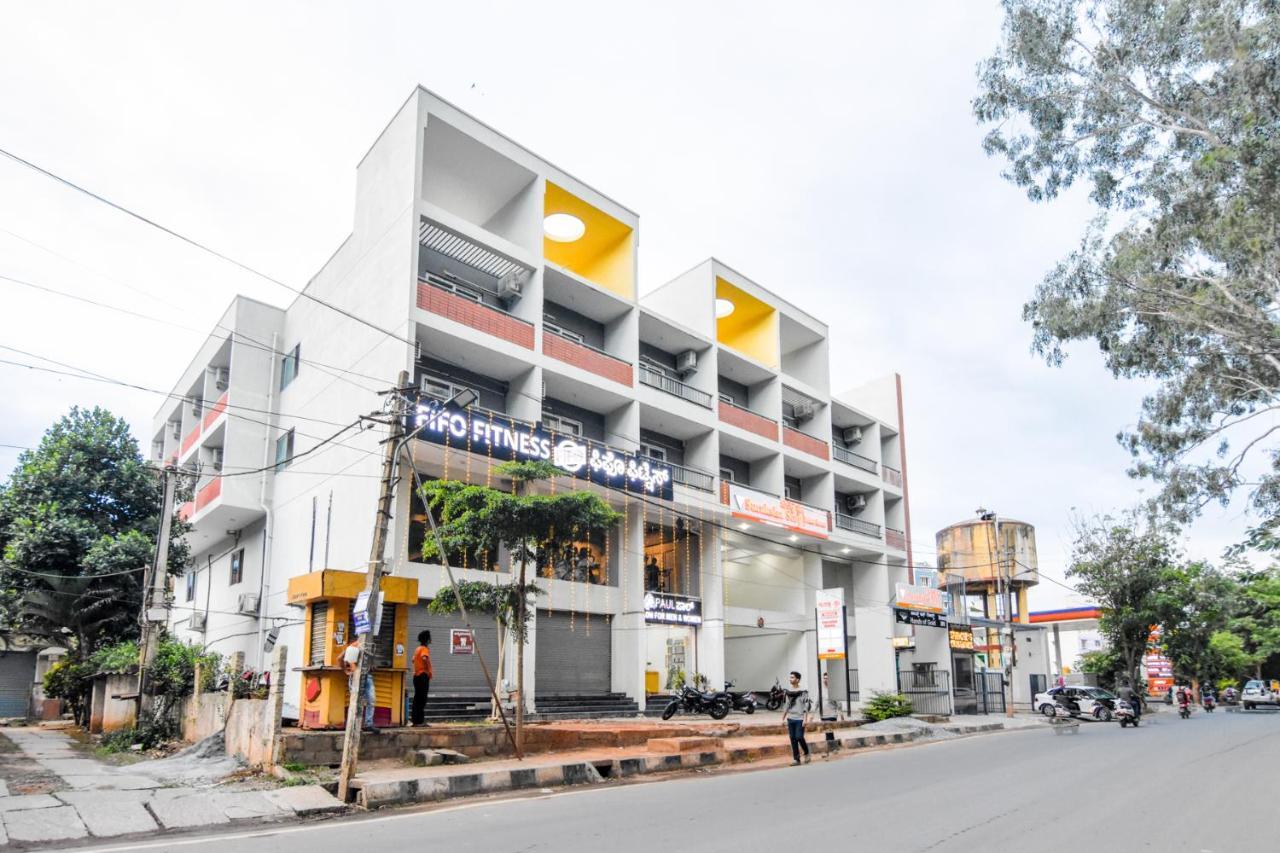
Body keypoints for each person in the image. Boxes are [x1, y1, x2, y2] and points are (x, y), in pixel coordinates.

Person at [342, 638, 378, 733]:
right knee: (356, 701)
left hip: (367, 677)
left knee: (371, 700)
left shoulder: (367, 648)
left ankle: (368, 724)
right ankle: (354, 724)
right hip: (357, 677)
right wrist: (350, 671)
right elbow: (342, 660)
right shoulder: (352, 648)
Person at [782, 670, 812, 766]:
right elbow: (786, 705)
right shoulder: (788, 692)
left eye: (792, 677)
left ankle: (806, 752)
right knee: (792, 738)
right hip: (790, 718)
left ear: (798, 680)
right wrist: (782, 718)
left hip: (800, 718)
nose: (790, 679)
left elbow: (806, 705)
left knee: (799, 737)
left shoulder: (803, 692)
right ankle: (796, 759)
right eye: (790, 677)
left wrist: (805, 719)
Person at [411, 630, 433, 727]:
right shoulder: (424, 649)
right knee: (422, 699)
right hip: (423, 675)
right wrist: (428, 669)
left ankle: (415, 721)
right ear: (427, 640)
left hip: (416, 676)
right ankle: (420, 721)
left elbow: (413, 659)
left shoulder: (417, 649)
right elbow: (424, 658)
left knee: (417, 698)